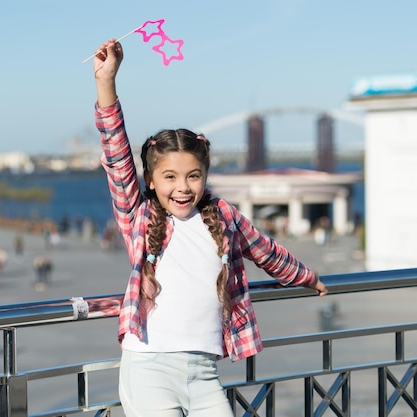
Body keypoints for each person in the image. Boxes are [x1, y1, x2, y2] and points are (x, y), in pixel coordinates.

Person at [92, 38, 328, 417]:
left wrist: (307, 277)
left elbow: (266, 251)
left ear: (205, 176)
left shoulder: (223, 216)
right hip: (149, 368)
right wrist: (107, 83)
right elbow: (116, 153)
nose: (182, 187)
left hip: (204, 373)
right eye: (169, 176)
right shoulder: (139, 215)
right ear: (150, 180)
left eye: (193, 176)